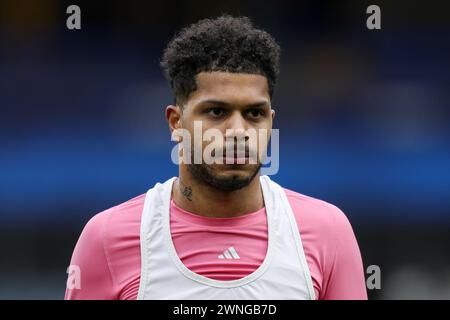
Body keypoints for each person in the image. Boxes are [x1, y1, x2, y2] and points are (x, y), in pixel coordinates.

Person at [65, 15, 367, 300]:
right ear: (176, 122)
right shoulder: (106, 238)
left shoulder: (327, 232)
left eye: (254, 114)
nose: (238, 131)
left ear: (271, 120)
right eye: (217, 112)